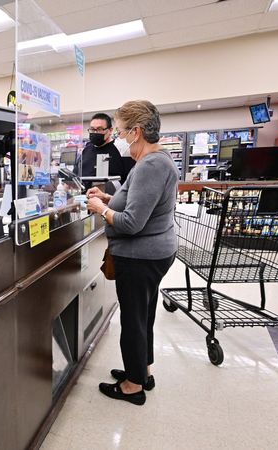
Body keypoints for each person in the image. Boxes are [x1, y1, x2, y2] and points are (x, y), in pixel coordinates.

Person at [86, 100, 178, 406]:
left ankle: (132, 386)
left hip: (141, 256)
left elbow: (132, 222)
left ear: (136, 132)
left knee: (134, 320)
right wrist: (109, 197)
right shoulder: (156, 161)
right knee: (144, 316)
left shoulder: (151, 165)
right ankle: (142, 370)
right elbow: (140, 203)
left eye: (123, 131)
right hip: (153, 252)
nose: (120, 138)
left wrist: (101, 209)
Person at [73, 112, 126, 180]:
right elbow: (75, 174)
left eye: (99, 129)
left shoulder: (118, 150)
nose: (95, 132)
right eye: (92, 129)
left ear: (110, 130)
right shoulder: (86, 150)